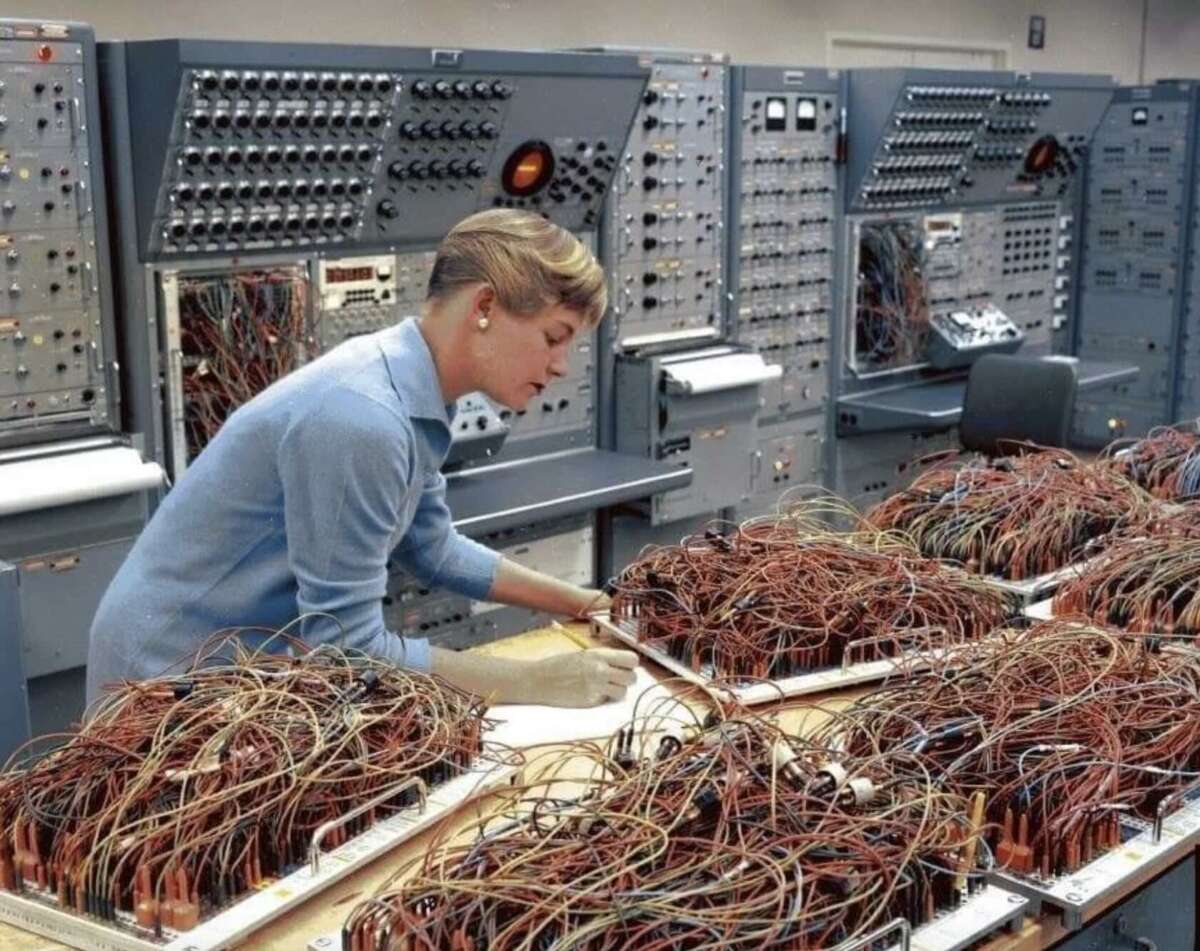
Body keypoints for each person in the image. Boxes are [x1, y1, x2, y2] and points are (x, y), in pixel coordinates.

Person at [86, 209, 638, 707]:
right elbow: (348, 653)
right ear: (486, 306)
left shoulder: (413, 390)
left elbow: (433, 548)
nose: (563, 364)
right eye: (555, 336)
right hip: (165, 676)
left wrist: (583, 602)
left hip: (238, 665)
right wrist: (537, 682)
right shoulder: (363, 415)